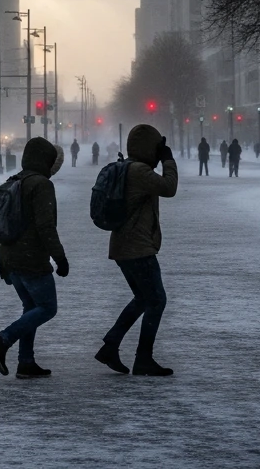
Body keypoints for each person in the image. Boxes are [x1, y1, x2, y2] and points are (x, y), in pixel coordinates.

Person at [94, 124, 178, 377]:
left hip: (124, 245)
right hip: (137, 247)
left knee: (144, 298)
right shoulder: (139, 171)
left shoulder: (127, 168)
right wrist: (169, 160)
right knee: (157, 299)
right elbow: (169, 188)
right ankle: (143, 358)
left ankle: (111, 345)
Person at [0, 138, 67, 379]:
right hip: (30, 259)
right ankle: (2, 340)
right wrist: (60, 258)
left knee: (31, 307)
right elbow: (46, 227)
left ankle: (26, 362)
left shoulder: (15, 181)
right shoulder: (41, 185)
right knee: (47, 307)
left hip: (10, 258)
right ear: (45, 161)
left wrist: (4, 264)